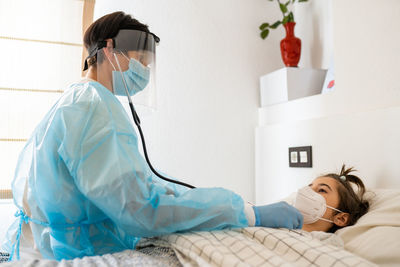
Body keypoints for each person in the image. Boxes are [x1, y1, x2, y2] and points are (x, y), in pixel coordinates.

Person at [2, 11, 302, 261]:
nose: (144, 71)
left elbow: (131, 186)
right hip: (74, 252)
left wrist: (179, 195)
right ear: (109, 49)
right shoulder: (94, 109)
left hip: (45, 245)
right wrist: (244, 212)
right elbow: (139, 210)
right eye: (140, 60)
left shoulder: (79, 98)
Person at [293, 164, 370, 233]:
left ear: (340, 219)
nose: (307, 192)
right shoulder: (284, 225)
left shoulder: (327, 243)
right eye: (309, 187)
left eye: (322, 190)